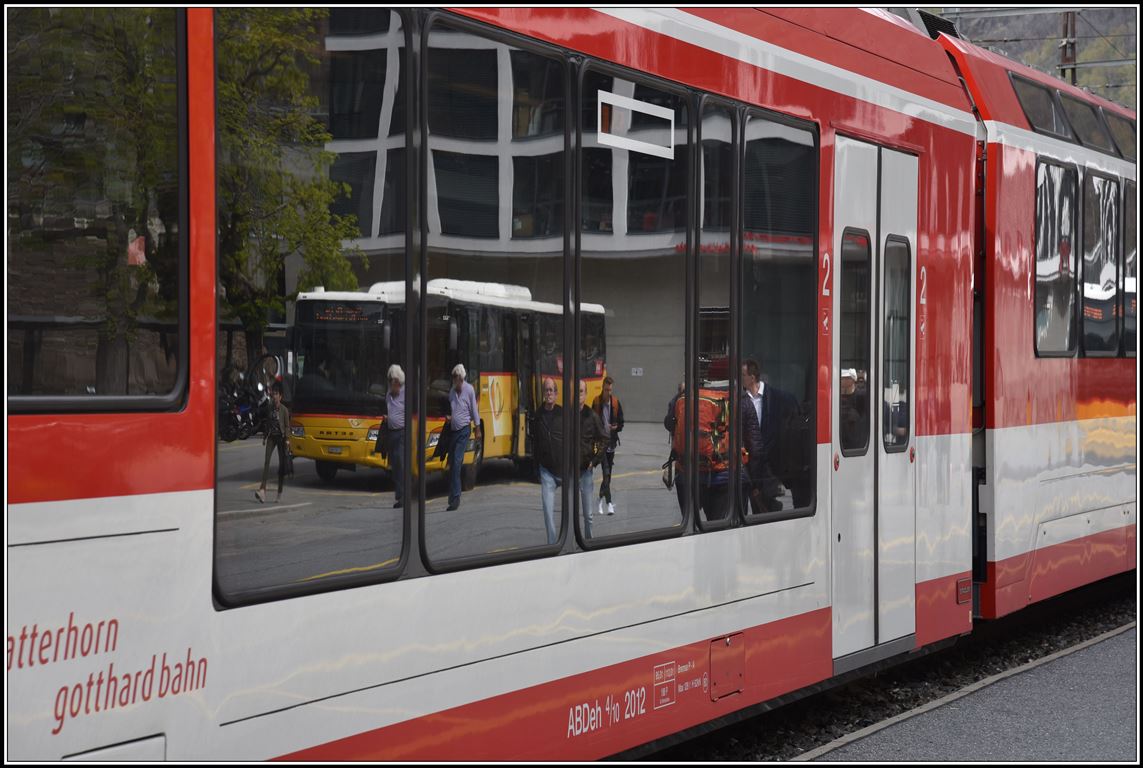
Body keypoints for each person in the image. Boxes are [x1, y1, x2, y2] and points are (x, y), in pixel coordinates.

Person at [740, 358, 795, 514]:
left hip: (770, 465)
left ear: (752, 377)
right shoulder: (741, 399)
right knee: (755, 504)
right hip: (749, 463)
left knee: (767, 506)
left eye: (743, 375)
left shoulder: (777, 397)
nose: (740, 378)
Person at [532, 377, 564, 545]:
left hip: (564, 470)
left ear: (556, 394)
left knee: (571, 509)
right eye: (546, 390)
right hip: (547, 472)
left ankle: (568, 540)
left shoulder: (562, 414)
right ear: (543, 393)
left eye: (552, 390)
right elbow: (535, 443)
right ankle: (552, 545)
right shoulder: (538, 416)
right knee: (547, 510)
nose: (549, 393)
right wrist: (537, 468)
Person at [445, 363, 480, 511]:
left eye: (456, 378)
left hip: (464, 430)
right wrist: (449, 418)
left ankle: (456, 498)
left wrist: (477, 428)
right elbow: (452, 411)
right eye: (453, 378)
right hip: (453, 431)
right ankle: (452, 495)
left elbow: (474, 410)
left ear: (461, 378)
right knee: (452, 463)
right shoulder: (452, 392)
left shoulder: (469, 390)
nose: (454, 381)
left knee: (457, 462)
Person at [578, 379, 608, 538]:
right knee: (570, 513)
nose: (578, 395)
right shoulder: (567, 414)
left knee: (588, 515)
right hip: (569, 471)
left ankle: (588, 542)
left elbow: (604, 438)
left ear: (585, 394)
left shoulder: (592, 416)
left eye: (581, 392)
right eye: (575, 391)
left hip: (585, 472)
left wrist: (594, 461)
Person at [591, 376, 624, 516]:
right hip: (601, 443)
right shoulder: (596, 402)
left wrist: (616, 427)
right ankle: (609, 503)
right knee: (606, 472)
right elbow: (591, 423)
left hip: (611, 443)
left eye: (610, 390)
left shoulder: (616, 403)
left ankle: (599, 498)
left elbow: (622, 423)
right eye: (606, 390)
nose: (608, 393)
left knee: (608, 475)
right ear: (602, 388)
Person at [256, 381, 289, 504]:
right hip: (271, 437)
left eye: (276, 394)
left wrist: (287, 440)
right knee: (266, 462)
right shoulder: (269, 407)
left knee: (281, 466)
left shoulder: (284, 410)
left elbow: (287, 426)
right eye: (273, 394)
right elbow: (267, 423)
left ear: (280, 396)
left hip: (281, 438)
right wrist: (265, 437)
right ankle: (262, 490)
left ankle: (279, 492)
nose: (274, 396)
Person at [377, 364, 405, 509]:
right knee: (394, 465)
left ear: (398, 381)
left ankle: (403, 496)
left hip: (402, 433)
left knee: (400, 464)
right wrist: (388, 418)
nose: (391, 385)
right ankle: (400, 495)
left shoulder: (406, 394)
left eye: (393, 382)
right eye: (389, 381)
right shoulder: (388, 394)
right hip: (391, 433)